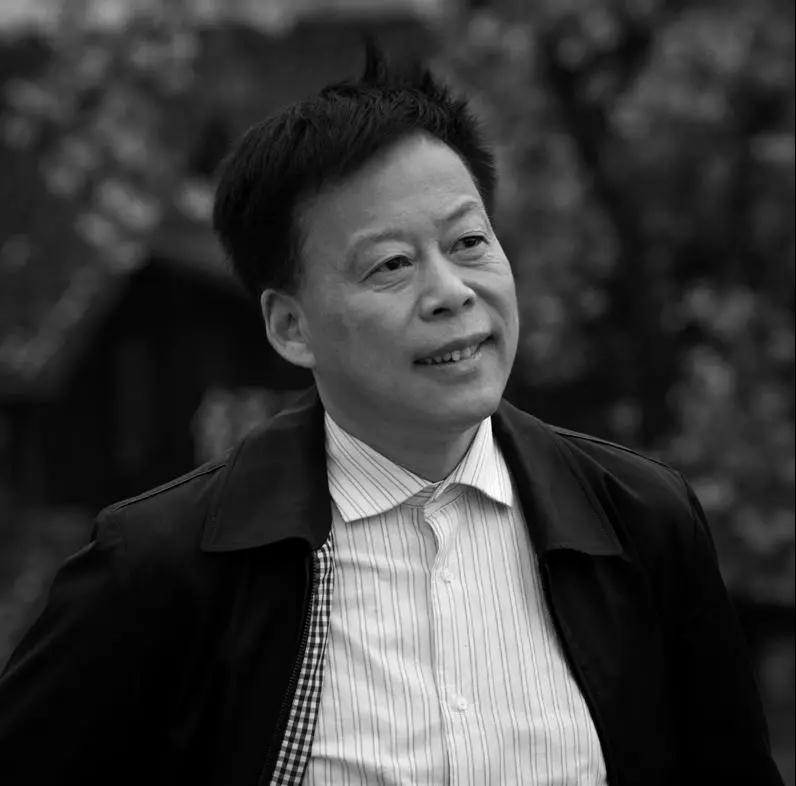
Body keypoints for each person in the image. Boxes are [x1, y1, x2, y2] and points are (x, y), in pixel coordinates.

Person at [0, 47, 783, 786]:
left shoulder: (639, 524)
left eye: (468, 242)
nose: (451, 292)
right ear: (291, 327)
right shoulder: (165, 567)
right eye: (392, 265)